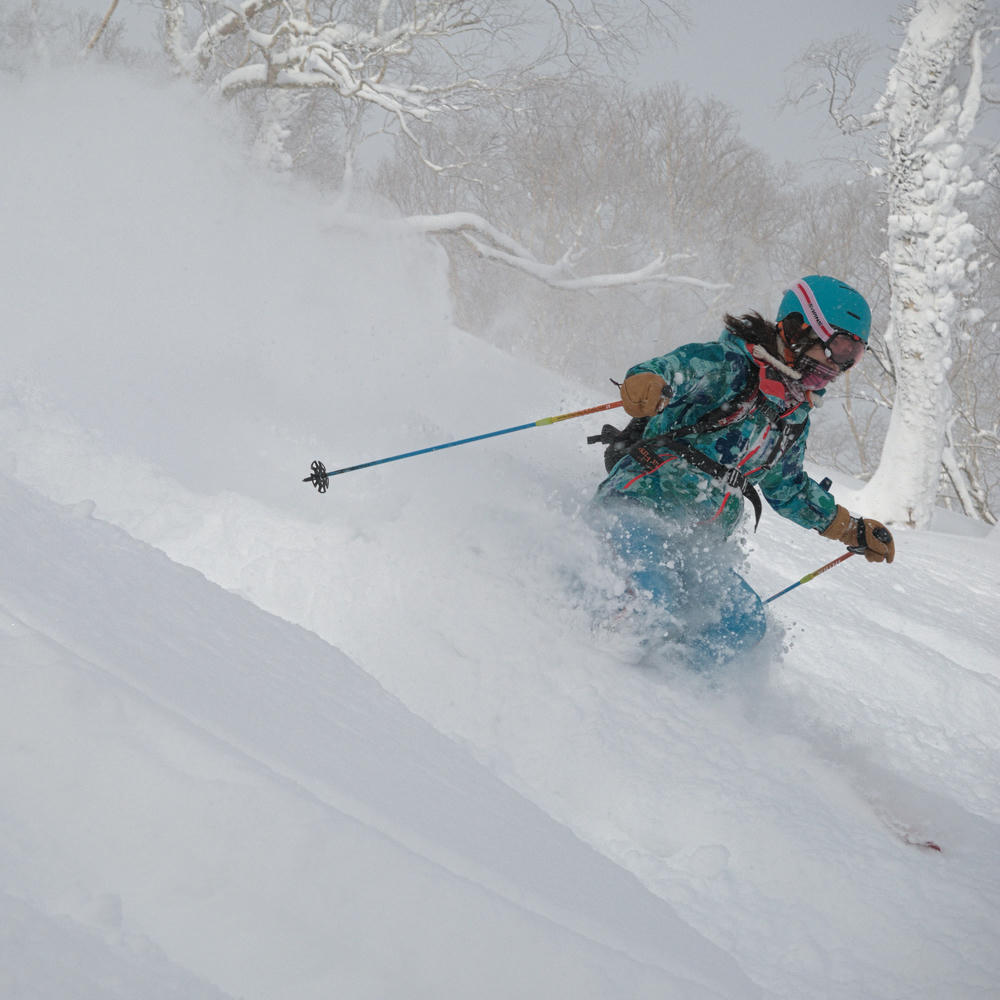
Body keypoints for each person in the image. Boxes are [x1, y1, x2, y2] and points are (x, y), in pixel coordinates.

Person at [590, 275, 895, 670]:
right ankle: (593, 672)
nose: (841, 366)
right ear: (801, 326)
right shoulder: (729, 366)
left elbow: (789, 488)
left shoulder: (792, 414)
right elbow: (678, 368)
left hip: (695, 545)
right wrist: (649, 380)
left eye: (855, 355)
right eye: (839, 347)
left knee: (741, 623)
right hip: (636, 509)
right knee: (649, 599)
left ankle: (674, 698)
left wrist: (849, 529)